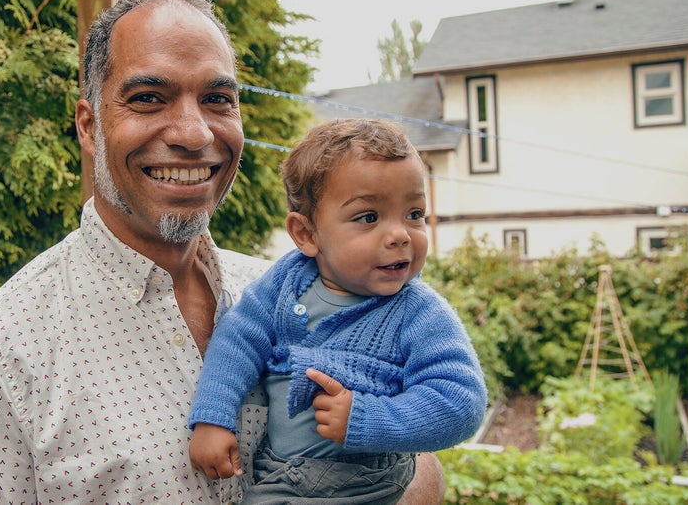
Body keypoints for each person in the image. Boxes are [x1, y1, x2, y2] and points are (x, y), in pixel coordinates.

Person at [0, 0, 446, 504]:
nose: (194, 134)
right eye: (148, 98)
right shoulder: (1, 348)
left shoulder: (286, 289)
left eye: (217, 99)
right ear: (90, 125)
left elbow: (418, 453)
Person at [188, 118, 488, 503]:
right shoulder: (285, 282)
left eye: (414, 213)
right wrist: (213, 417)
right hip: (280, 473)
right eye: (369, 217)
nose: (400, 234)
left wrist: (368, 418)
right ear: (307, 234)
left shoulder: (418, 312)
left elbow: (461, 401)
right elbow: (237, 339)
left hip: (365, 483)